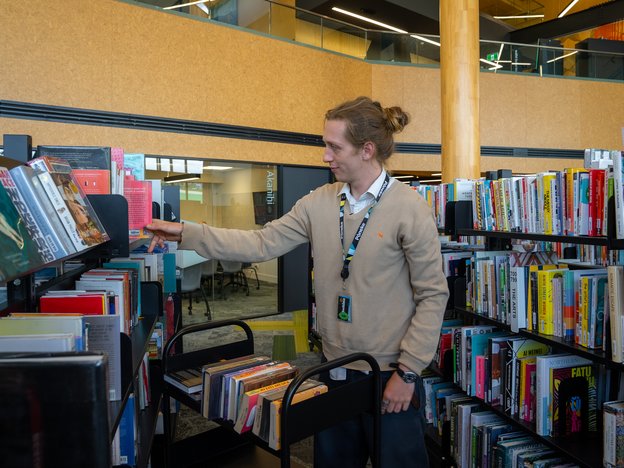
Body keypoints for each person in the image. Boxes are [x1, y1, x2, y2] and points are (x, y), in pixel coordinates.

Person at [146, 96, 449, 467]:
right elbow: (260, 242)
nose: (325, 155)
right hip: (331, 368)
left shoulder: (409, 208)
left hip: (388, 375)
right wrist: (184, 232)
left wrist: (408, 372)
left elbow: (433, 295)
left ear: (367, 150)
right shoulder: (319, 202)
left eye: (334, 146)